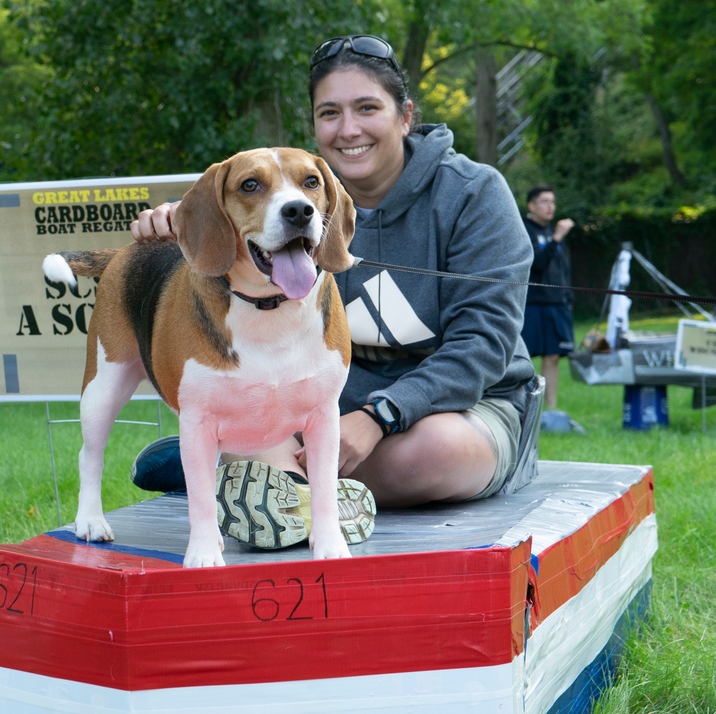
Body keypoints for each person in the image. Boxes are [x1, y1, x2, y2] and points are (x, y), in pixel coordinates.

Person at [129, 34, 536, 528]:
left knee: (427, 456)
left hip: (465, 409)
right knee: (267, 449)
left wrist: (379, 417)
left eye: (367, 108)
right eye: (329, 113)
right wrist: (185, 229)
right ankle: (249, 471)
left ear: (406, 116)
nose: (348, 130)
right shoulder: (283, 207)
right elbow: (222, 250)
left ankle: (248, 480)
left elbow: (483, 345)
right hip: (315, 415)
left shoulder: (475, 193)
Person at [521, 185, 575, 412]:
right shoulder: (523, 230)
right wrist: (556, 238)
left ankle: (550, 409)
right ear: (531, 206)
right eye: (544, 201)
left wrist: (568, 298)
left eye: (552, 201)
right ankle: (522, 406)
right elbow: (537, 264)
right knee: (525, 357)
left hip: (556, 304)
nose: (550, 206)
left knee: (553, 357)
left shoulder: (554, 234)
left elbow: (564, 270)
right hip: (532, 304)